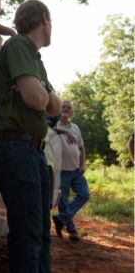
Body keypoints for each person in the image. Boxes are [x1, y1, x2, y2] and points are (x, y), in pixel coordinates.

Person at [0, 0, 88, 273]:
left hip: (32, 151)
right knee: (28, 239)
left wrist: (45, 95)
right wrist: (43, 94)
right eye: (52, 20)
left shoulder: (35, 58)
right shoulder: (18, 45)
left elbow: (52, 104)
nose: (53, 26)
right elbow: (37, 99)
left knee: (41, 238)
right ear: (43, 20)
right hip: (15, 150)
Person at [52, 100, 90, 241]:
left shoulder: (76, 127)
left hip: (75, 169)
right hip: (60, 170)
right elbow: (50, 129)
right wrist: (65, 132)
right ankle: (72, 230)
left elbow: (81, 148)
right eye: (64, 106)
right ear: (59, 109)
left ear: (72, 111)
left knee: (84, 194)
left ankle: (60, 219)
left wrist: (82, 165)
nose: (66, 109)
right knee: (63, 202)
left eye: (69, 107)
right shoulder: (54, 123)